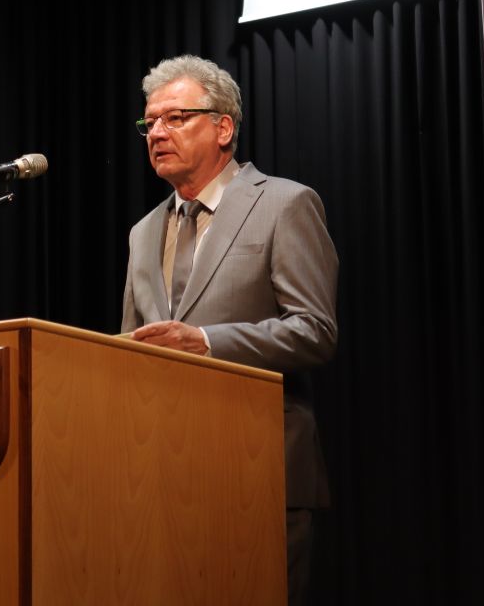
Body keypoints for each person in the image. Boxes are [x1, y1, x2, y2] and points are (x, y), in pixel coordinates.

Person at [121, 54, 338, 606]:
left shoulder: (285, 203)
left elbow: (314, 330)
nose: (157, 133)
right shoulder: (143, 233)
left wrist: (207, 342)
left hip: (258, 469)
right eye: (150, 122)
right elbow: (128, 353)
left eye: (175, 118)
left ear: (223, 128)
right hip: (163, 476)